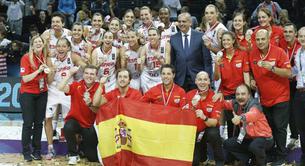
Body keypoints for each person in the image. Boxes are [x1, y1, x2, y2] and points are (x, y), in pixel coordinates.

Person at [249, 29, 291, 165]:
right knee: (270, 128)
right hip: (265, 99)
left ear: (269, 39)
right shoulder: (253, 54)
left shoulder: (279, 52)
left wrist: (272, 68)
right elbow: (249, 71)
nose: (260, 42)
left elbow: (288, 73)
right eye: (258, 40)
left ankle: (282, 156)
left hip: (281, 97)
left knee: (280, 127)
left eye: (263, 39)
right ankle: (273, 153)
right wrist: (251, 80)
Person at [44, 38, 86, 160]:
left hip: (67, 90)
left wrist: (86, 62)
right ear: (55, 47)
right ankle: (50, 148)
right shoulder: (50, 59)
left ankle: (73, 149)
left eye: (63, 46)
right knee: (48, 118)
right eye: (59, 46)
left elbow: (85, 66)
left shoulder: (72, 56)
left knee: (72, 121)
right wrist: (52, 71)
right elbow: (49, 81)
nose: (61, 49)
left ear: (68, 48)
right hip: (53, 90)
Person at [57, 65, 100, 165]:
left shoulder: (99, 87)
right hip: (75, 122)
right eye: (87, 73)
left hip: (90, 125)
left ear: (96, 76)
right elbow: (60, 87)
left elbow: (98, 110)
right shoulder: (76, 85)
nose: (89, 76)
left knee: (92, 158)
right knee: (68, 126)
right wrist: (70, 74)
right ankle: (73, 155)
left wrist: (90, 104)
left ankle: (82, 147)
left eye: (92, 74)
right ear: (83, 74)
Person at [222, 84, 273, 166]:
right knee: (228, 143)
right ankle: (249, 160)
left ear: (249, 95)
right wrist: (217, 96)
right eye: (237, 94)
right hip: (249, 138)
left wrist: (240, 118)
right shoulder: (235, 103)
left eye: (243, 94)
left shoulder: (255, 104)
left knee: (254, 146)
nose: (240, 96)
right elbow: (223, 104)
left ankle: (262, 163)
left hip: (265, 138)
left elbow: (252, 114)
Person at [213, 31, 250, 139]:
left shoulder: (242, 54)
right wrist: (216, 64)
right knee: (231, 124)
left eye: (228, 39)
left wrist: (248, 94)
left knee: (242, 123)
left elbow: (246, 74)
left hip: (240, 95)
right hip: (227, 95)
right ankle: (231, 150)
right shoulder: (220, 56)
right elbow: (216, 78)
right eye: (224, 40)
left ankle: (243, 150)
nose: (226, 42)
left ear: (233, 41)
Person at [20, 35, 50, 161]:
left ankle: (37, 151)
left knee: (38, 123)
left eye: (40, 41)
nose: (38, 43)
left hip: (42, 92)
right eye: (35, 41)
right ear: (32, 44)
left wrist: (50, 70)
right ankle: (26, 151)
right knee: (28, 123)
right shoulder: (26, 58)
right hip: (28, 93)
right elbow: (25, 79)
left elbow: (49, 75)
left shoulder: (45, 57)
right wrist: (38, 71)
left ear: (43, 44)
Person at [186, 71, 224, 166]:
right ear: (195, 81)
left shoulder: (215, 97)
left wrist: (204, 117)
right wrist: (192, 107)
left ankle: (220, 161)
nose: (202, 82)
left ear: (209, 82)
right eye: (200, 79)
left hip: (208, 130)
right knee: (195, 162)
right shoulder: (189, 95)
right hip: (194, 132)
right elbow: (183, 116)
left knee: (214, 133)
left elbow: (214, 122)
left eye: (205, 79)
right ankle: (204, 158)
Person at [170, 12, 212, 91]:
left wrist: (208, 78)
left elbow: (207, 60)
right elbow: (172, 61)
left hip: (198, 79)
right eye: (179, 21)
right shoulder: (173, 38)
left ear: (190, 22)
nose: (181, 24)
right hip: (180, 79)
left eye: (184, 21)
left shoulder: (200, 36)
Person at [280, 23, 301, 150]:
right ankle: (294, 136)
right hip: (284, 81)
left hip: (296, 83)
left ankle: (297, 136)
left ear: (295, 33)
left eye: (290, 31)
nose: (287, 34)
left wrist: (290, 74)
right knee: (288, 110)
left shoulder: (300, 46)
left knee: (295, 110)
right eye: (285, 31)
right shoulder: (281, 44)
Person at [139, 28, 170, 93]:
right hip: (148, 75)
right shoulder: (145, 47)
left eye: (154, 35)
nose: (151, 37)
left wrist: (159, 58)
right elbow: (139, 61)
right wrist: (140, 61)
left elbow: (167, 66)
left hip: (160, 74)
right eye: (150, 35)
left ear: (159, 36)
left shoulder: (166, 45)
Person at [291, 26, 305, 165]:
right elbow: (296, 71)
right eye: (300, 36)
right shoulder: (298, 53)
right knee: (301, 126)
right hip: (299, 93)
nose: (303, 38)